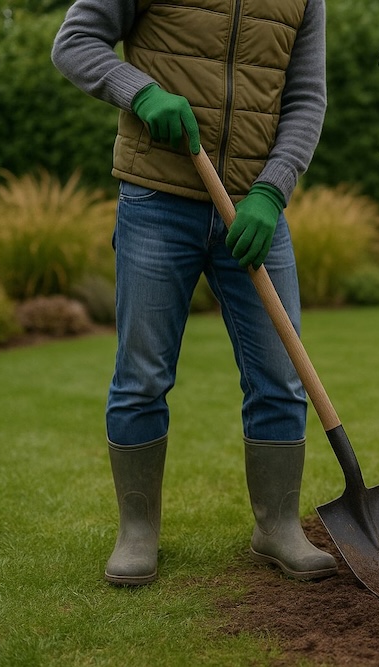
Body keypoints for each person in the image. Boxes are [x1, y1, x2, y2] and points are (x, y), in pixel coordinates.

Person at [51, 0, 337, 586]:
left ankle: (277, 526)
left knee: (280, 376)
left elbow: (306, 98)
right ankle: (138, 532)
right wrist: (142, 92)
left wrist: (272, 190)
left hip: (252, 210)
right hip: (157, 201)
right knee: (142, 375)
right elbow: (74, 41)